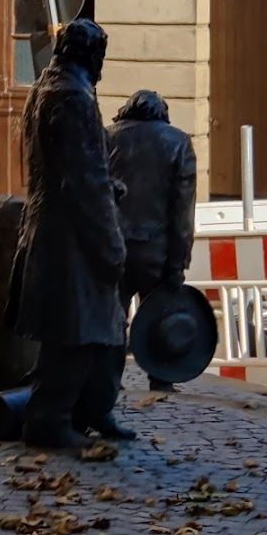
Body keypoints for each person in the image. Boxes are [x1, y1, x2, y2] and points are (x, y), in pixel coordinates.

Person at [7, 19, 132, 449]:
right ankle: (50, 419)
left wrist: (105, 187)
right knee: (78, 334)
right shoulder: (72, 96)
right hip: (73, 239)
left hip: (54, 229)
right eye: (100, 56)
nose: (101, 66)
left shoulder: (46, 88)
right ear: (91, 55)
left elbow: (65, 168)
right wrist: (111, 245)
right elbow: (85, 183)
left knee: (95, 330)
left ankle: (92, 409)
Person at [106, 90, 198, 393]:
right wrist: (179, 260)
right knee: (160, 313)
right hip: (155, 250)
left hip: (113, 245)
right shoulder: (178, 142)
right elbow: (183, 210)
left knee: (111, 316)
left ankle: (108, 380)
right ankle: (160, 376)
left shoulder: (108, 138)